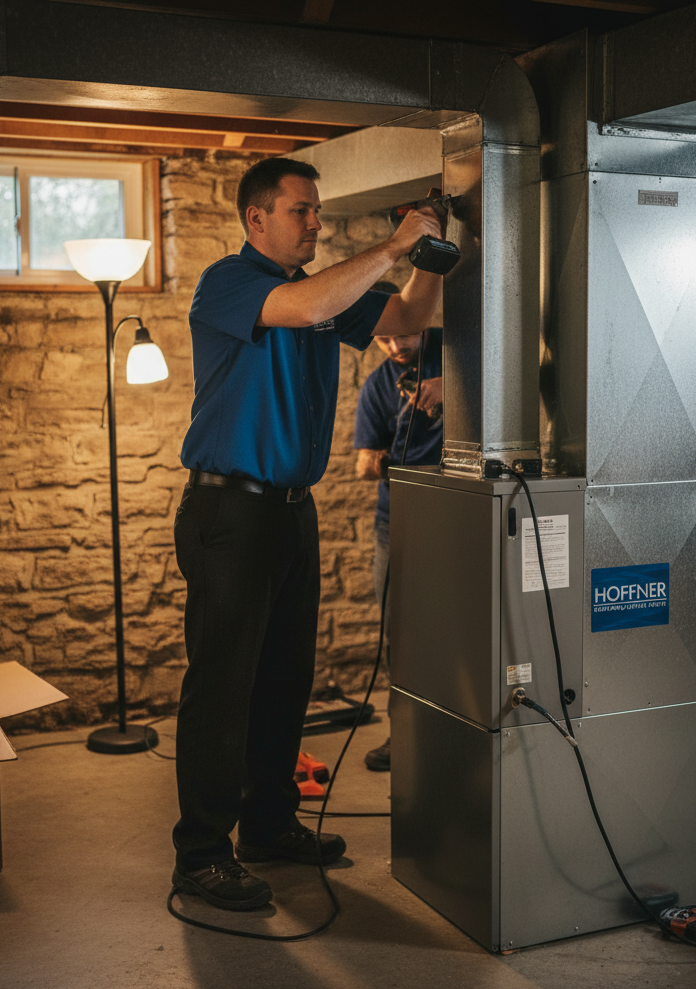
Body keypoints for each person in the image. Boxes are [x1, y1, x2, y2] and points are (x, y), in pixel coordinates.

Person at [172, 156, 442, 911]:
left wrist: (431, 253)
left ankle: (266, 825)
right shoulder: (229, 283)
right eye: (302, 210)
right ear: (256, 218)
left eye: (318, 210)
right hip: (229, 511)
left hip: (292, 509)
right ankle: (200, 855)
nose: (316, 222)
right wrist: (393, 245)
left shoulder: (329, 295)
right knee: (223, 686)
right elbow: (301, 305)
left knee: (284, 679)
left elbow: (409, 318)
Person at [353, 313, 443, 772]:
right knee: (400, 633)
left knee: (464, 627)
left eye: (402, 335)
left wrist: (453, 387)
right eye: (382, 339)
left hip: (460, 516)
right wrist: (381, 463)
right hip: (397, 522)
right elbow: (363, 464)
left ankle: (460, 729)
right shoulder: (377, 385)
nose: (394, 347)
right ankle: (404, 732)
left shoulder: (463, 349)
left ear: (421, 320)